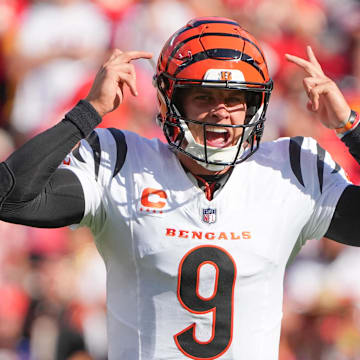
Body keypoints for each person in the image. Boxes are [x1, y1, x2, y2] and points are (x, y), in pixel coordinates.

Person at [0, 16, 359, 360]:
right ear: (170, 101)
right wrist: (88, 112)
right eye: (204, 97)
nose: (222, 112)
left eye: (235, 99)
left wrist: (349, 126)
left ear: (254, 106)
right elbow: (10, 197)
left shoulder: (289, 170)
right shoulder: (122, 163)